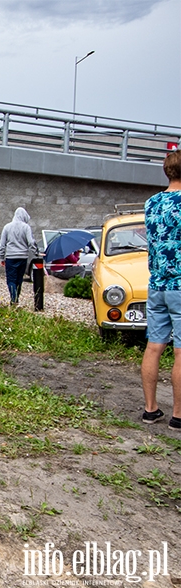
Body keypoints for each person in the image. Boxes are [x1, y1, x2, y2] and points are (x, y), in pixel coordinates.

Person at [141, 149, 181, 430]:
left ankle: (150, 409)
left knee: (154, 346)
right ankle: (178, 415)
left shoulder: (151, 204)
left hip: (156, 284)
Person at [0, 207, 38, 304]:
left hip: (10, 257)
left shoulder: (7, 227)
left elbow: (2, 244)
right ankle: (16, 298)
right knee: (19, 279)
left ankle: (13, 299)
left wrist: (1, 257)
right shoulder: (26, 227)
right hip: (23, 257)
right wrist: (35, 253)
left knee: (11, 279)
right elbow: (31, 242)